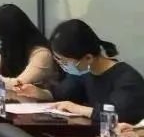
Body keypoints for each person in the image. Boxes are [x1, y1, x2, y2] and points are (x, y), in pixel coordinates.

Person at [16, 19, 144, 124]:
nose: (61, 65)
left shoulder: (127, 80)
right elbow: (64, 93)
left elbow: (119, 114)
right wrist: (39, 93)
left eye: (64, 61)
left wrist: (77, 109)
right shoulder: (85, 72)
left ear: (88, 58)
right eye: (58, 59)